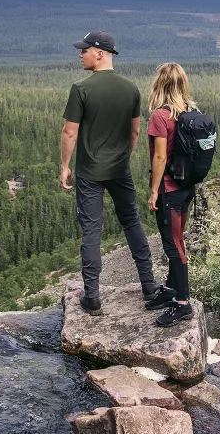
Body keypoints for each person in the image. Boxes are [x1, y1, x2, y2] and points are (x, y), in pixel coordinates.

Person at [60, 31, 160, 314]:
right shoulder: (131, 89)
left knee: (91, 230)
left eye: (84, 50)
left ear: (100, 53)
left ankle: (91, 297)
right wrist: (123, 157)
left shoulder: (81, 89)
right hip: (120, 170)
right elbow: (136, 131)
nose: (80, 55)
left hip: (90, 172)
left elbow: (70, 132)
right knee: (132, 223)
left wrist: (65, 167)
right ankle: (149, 287)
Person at [145, 62, 196, 327]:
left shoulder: (160, 116)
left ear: (160, 84)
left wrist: (154, 191)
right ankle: (171, 288)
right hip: (187, 187)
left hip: (169, 190)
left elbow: (161, 156)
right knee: (178, 239)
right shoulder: (192, 111)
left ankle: (183, 303)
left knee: (172, 243)